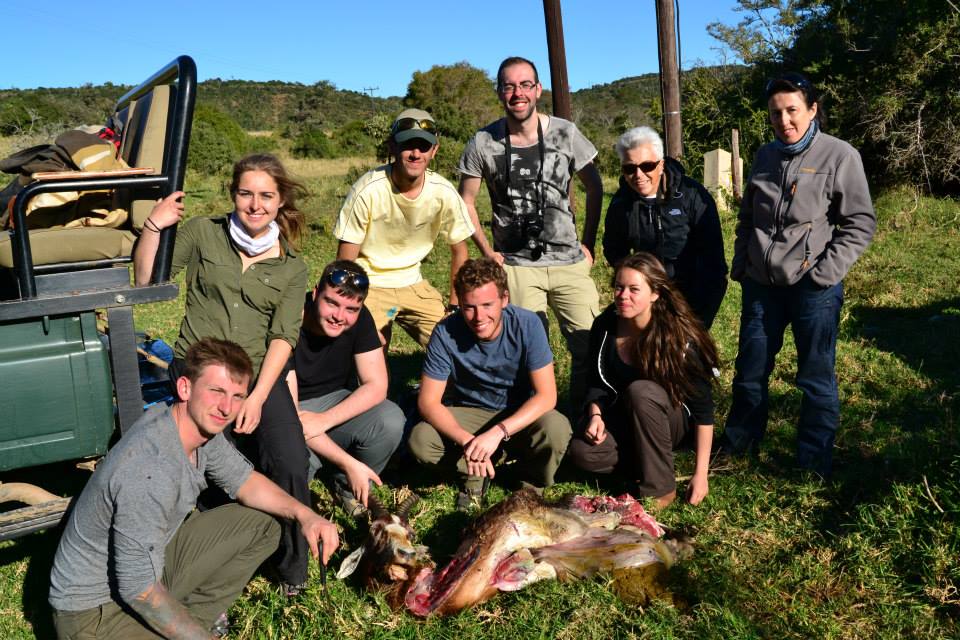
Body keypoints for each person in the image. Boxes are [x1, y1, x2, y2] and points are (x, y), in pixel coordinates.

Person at [49, 338, 339, 640]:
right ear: (185, 388)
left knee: (264, 524)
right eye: (216, 391)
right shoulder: (150, 468)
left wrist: (307, 515)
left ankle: (193, 622)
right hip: (93, 615)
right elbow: (138, 589)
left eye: (238, 396)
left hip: (147, 571)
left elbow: (245, 481)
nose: (226, 408)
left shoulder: (199, 432)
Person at [134, 153, 313, 595]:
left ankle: (292, 568)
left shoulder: (293, 266)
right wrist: (154, 226)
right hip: (199, 371)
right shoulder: (202, 234)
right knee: (206, 469)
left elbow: (282, 339)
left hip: (256, 377)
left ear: (280, 200)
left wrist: (254, 398)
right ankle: (206, 561)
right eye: (245, 193)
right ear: (233, 194)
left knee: (290, 459)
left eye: (266, 195)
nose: (255, 205)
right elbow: (144, 281)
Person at [719, 72, 876, 476]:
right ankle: (738, 448)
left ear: (812, 109)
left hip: (813, 291)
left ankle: (813, 462)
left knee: (815, 376)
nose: (784, 120)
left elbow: (859, 223)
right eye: (776, 113)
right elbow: (748, 215)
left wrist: (823, 273)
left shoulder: (840, 156)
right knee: (750, 370)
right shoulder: (765, 156)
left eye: (792, 111)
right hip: (762, 287)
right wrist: (743, 263)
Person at [458, 56, 603, 410]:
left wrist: (588, 241)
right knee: (527, 347)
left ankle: (586, 415)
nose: (517, 93)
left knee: (590, 343)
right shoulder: (483, 141)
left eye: (525, 85)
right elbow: (465, 202)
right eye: (509, 86)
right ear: (499, 93)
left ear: (538, 90)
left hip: (568, 259)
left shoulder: (565, 132)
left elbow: (595, 188)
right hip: (517, 265)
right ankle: (537, 420)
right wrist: (486, 250)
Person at [408, 258, 572, 510]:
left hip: (517, 412)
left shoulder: (528, 324)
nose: (478, 316)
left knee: (556, 427)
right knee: (421, 439)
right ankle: (474, 474)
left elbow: (547, 395)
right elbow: (428, 402)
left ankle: (530, 483)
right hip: (470, 412)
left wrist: (498, 433)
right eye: (469, 307)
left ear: (504, 299)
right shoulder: (445, 332)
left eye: (487, 305)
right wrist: (467, 441)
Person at [569, 253, 720, 507]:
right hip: (624, 418)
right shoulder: (605, 325)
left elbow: (704, 411)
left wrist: (700, 474)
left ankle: (660, 492)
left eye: (633, 289)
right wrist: (595, 415)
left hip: (670, 420)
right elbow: (597, 382)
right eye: (619, 287)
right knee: (583, 452)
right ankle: (648, 461)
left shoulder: (678, 337)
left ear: (655, 293)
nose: (623, 295)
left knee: (642, 391)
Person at [334, 108, 475, 349]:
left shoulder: (443, 192)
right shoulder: (368, 189)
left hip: (412, 281)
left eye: (423, 146)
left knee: (455, 343)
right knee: (368, 348)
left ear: (435, 150)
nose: (415, 154)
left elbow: (460, 250)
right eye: (408, 145)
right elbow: (346, 258)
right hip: (370, 281)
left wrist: (454, 305)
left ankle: (439, 384)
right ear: (392, 147)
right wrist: (344, 301)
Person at [286, 260, 405, 517]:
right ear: (315, 293)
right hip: (288, 406)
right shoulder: (290, 319)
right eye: (332, 303)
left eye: (351, 309)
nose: (339, 316)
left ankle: (344, 484)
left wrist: (324, 420)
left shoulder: (360, 319)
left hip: (332, 403)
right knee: (293, 468)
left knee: (391, 419)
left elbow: (377, 385)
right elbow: (291, 415)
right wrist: (349, 461)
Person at [603, 126, 728, 328]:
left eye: (647, 166)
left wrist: (697, 321)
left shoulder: (692, 195)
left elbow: (714, 265)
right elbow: (615, 251)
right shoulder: (621, 203)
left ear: (661, 165)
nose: (638, 174)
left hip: (692, 292)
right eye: (629, 168)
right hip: (647, 293)